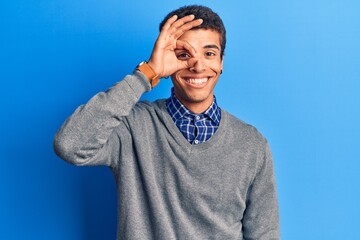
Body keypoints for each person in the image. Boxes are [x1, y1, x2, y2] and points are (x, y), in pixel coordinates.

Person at [54, 5, 280, 240]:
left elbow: (265, 235)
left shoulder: (251, 144)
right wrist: (146, 74)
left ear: (221, 62)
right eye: (184, 55)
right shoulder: (132, 127)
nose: (198, 66)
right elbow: (69, 145)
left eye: (209, 54)